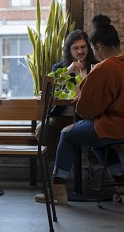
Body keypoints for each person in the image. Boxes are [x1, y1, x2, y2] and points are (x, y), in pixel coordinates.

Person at [35, 14, 124, 205]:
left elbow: (85, 111)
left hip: (120, 127)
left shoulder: (103, 68)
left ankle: (57, 190)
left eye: (89, 47)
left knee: (68, 134)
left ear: (98, 47)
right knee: (98, 137)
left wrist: (83, 94)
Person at [36, 29, 99, 160]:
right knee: (43, 128)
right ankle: (55, 166)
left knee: (98, 129)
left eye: (83, 47)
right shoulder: (59, 68)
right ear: (69, 49)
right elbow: (49, 89)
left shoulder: (96, 67)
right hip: (63, 117)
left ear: (89, 48)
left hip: (88, 118)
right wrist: (68, 70)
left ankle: (93, 163)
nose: (80, 51)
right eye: (75, 48)